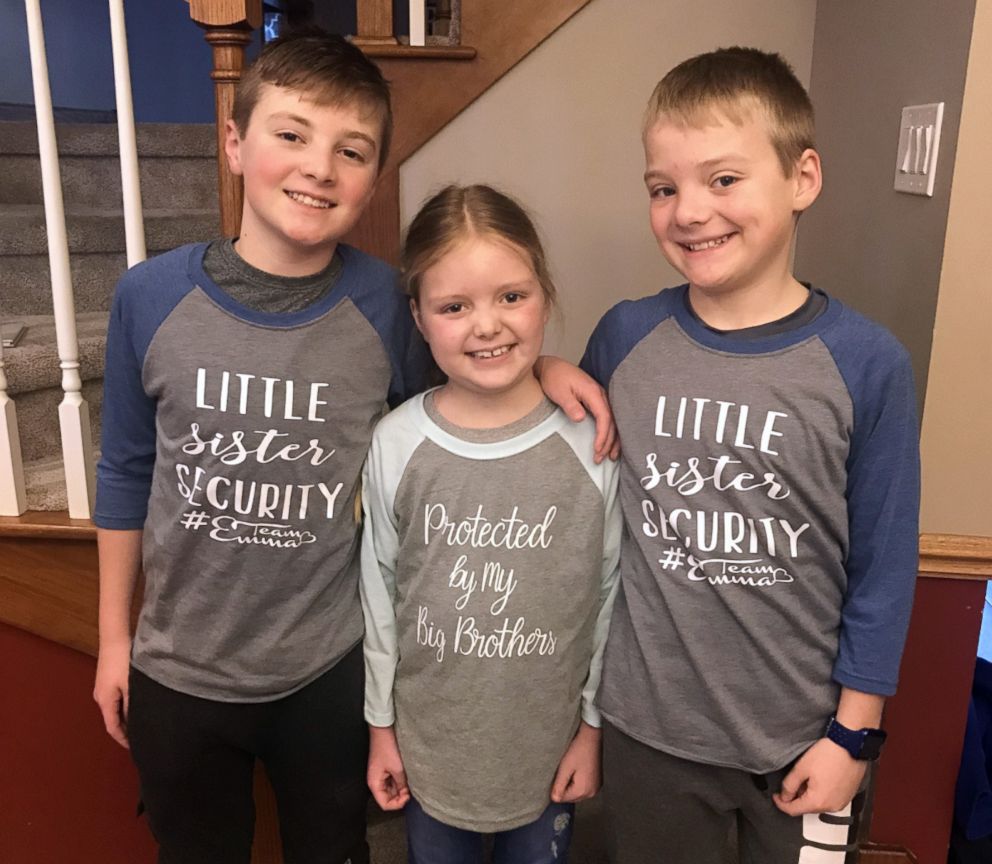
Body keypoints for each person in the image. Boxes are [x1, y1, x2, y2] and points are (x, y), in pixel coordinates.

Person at [91, 30, 612, 864]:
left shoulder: (381, 302)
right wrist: (115, 638)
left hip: (326, 675)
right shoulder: (149, 298)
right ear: (234, 143)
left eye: (351, 150)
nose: (318, 167)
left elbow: (465, 373)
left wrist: (540, 363)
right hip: (178, 671)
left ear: (372, 178)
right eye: (291, 134)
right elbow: (124, 469)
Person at [580, 47, 921, 863]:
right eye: (664, 188)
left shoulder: (869, 365)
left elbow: (882, 566)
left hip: (805, 741)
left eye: (723, 180)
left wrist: (854, 735)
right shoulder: (626, 337)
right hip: (650, 734)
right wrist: (552, 370)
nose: (689, 211)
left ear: (802, 178)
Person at [360, 184, 621, 864]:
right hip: (430, 750)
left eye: (512, 296)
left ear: (546, 294)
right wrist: (381, 728)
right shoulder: (395, 444)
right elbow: (381, 599)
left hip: (546, 752)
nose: (488, 325)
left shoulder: (589, 441)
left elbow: (609, 593)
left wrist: (591, 728)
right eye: (454, 306)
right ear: (418, 316)